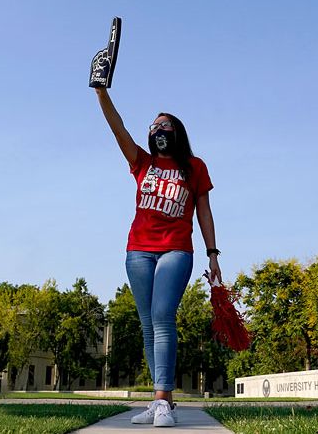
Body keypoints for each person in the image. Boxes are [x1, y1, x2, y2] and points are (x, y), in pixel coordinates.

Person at [94, 87, 222, 427]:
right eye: (153, 127)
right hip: (138, 250)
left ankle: (163, 401)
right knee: (148, 324)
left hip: (176, 249)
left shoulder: (194, 167)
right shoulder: (142, 162)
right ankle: (158, 397)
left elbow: (204, 213)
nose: (157, 130)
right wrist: (100, 91)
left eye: (163, 125)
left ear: (176, 132)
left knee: (163, 316)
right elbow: (116, 126)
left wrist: (213, 254)